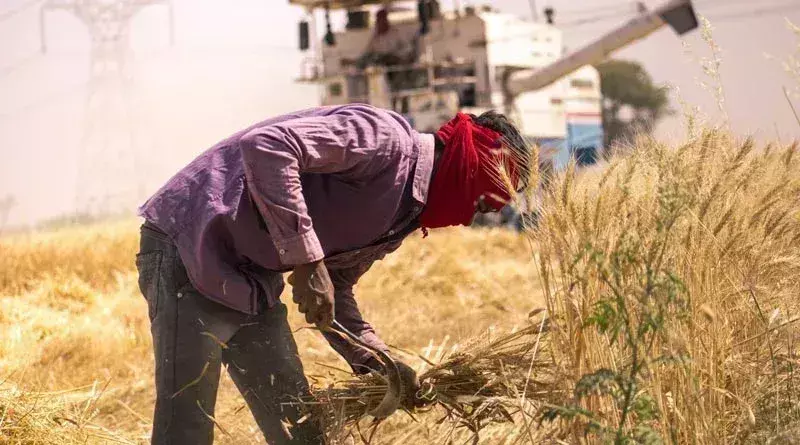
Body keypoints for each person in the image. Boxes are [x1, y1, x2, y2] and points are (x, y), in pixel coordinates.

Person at [135, 104, 529, 444]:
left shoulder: (405, 212)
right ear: (473, 164)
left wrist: (379, 362)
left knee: (300, 427)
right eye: (490, 199)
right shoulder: (385, 140)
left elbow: (333, 289)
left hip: (252, 278)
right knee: (186, 425)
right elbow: (268, 146)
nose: (484, 215)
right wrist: (308, 260)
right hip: (191, 245)